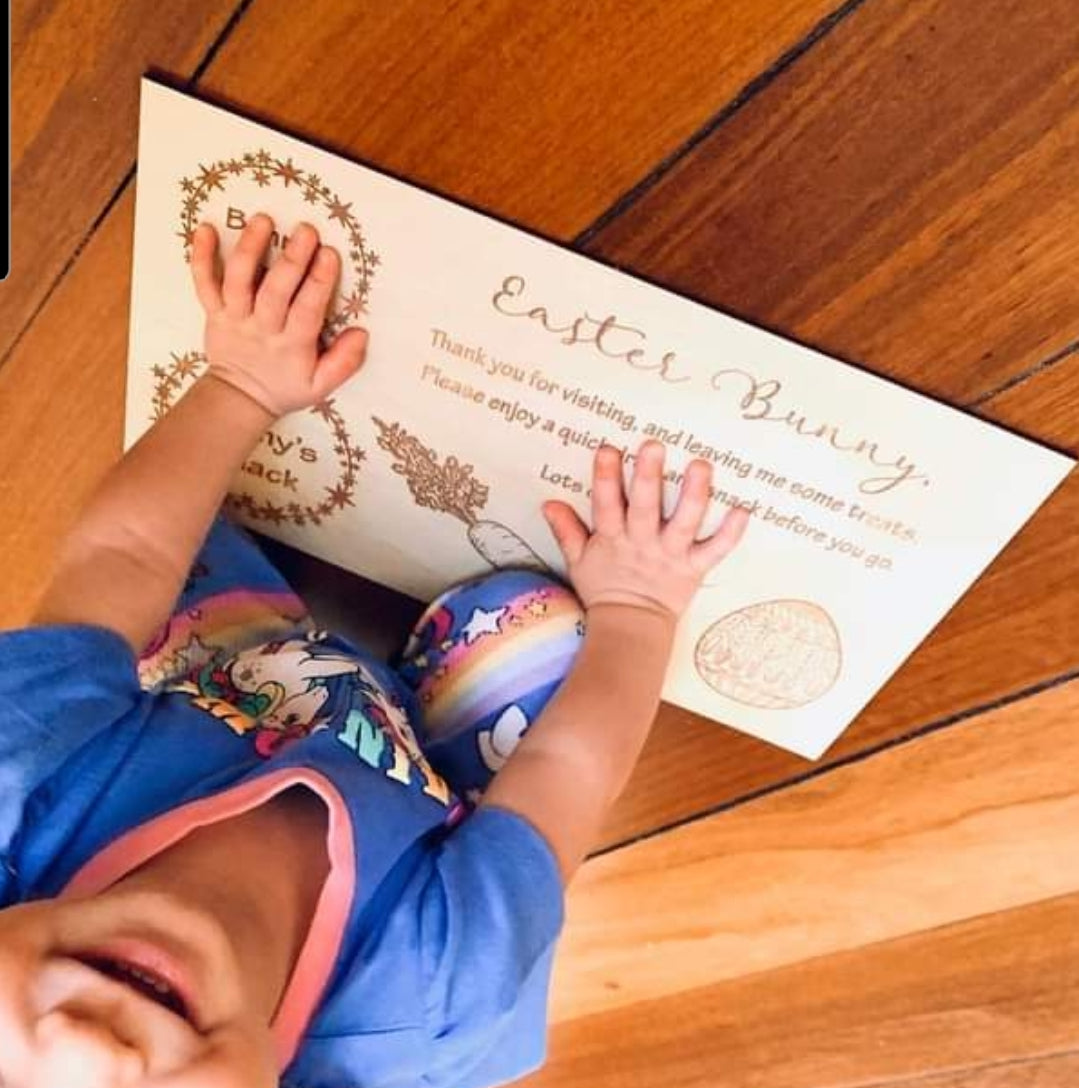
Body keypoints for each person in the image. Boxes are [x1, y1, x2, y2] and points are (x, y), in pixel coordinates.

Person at [0, 213, 748, 1088]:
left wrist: (241, 382)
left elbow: (116, 561)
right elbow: (566, 776)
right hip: (419, 772)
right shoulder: (431, 1009)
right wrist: (640, 604)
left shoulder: (17, 780)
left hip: (228, 673)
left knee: (175, 529)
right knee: (555, 636)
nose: (97, 1049)